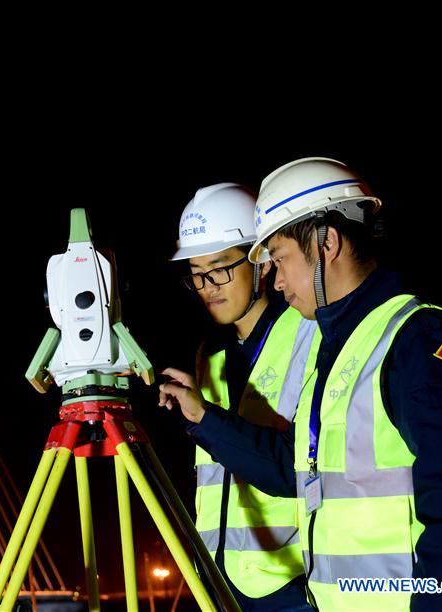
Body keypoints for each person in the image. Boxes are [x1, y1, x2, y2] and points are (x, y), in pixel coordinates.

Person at [159, 158, 442, 610]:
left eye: (280, 259)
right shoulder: (341, 349)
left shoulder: (423, 338)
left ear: (327, 243)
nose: (277, 281)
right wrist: (202, 417)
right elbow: (294, 465)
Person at [166, 183, 316, 610]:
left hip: (291, 585)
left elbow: (297, 468)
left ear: (262, 262)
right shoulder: (209, 356)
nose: (207, 286)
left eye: (219, 269)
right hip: (219, 583)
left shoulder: (310, 336)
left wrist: (207, 419)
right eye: (196, 273)